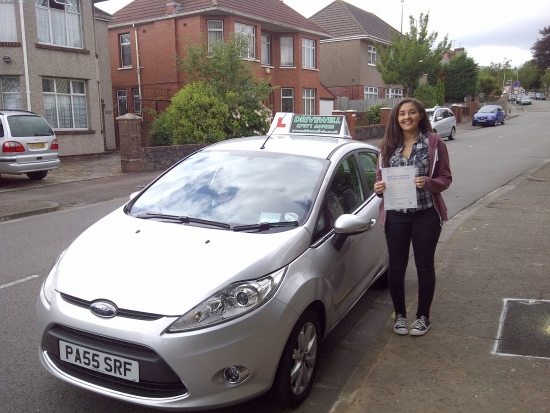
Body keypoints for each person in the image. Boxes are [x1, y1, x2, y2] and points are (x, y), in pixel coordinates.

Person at [374, 98, 452, 336]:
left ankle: (422, 317)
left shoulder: (434, 143)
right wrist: (378, 188)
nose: (406, 117)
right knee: (396, 267)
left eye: (411, 112)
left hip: (426, 216)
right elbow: (379, 180)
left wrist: (429, 183)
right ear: (396, 118)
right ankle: (400, 316)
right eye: (401, 114)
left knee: (424, 266)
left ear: (420, 115)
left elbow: (445, 178)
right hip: (396, 216)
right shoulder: (386, 146)